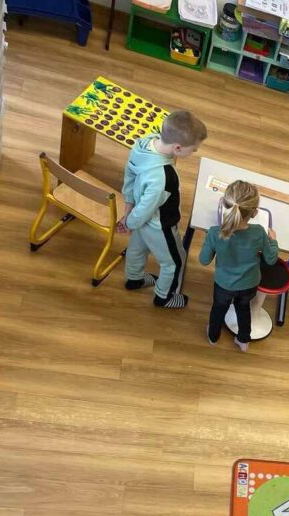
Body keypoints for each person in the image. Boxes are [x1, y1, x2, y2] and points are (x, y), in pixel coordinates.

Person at [119, 109, 208, 309]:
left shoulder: (144, 143)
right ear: (177, 148)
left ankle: (134, 279)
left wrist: (128, 211)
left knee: (136, 249)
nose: (194, 153)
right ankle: (164, 297)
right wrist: (130, 221)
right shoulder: (163, 177)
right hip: (159, 224)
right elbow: (146, 209)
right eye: (193, 150)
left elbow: (129, 176)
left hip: (140, 219)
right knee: (175, 262)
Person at [198, 180, 279, 352]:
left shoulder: (214, 233)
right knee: (244, 310)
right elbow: (271, 259)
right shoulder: (258, 232)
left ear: (225, 206)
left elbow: (204, 260)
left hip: (223, 285)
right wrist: (273, 241)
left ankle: (213, 336)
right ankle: (243, 341)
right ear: (255, 212)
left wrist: (208, 241)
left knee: (218, 310)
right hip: (249, 285)